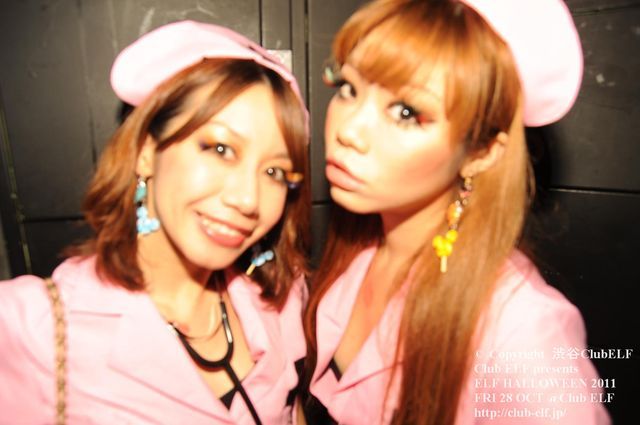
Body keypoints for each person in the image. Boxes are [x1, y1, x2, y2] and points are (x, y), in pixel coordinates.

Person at [303, 0, 610, 424]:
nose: (349, 129)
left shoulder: (520, 329)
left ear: (481, 153)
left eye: (406, 112)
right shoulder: (360, 248)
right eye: (348, 88)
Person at [0, 21, 309, 424]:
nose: (248, 199)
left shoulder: (280, 298)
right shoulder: (32, 328)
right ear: (147, 152)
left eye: (274, 172)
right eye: (220, 149)